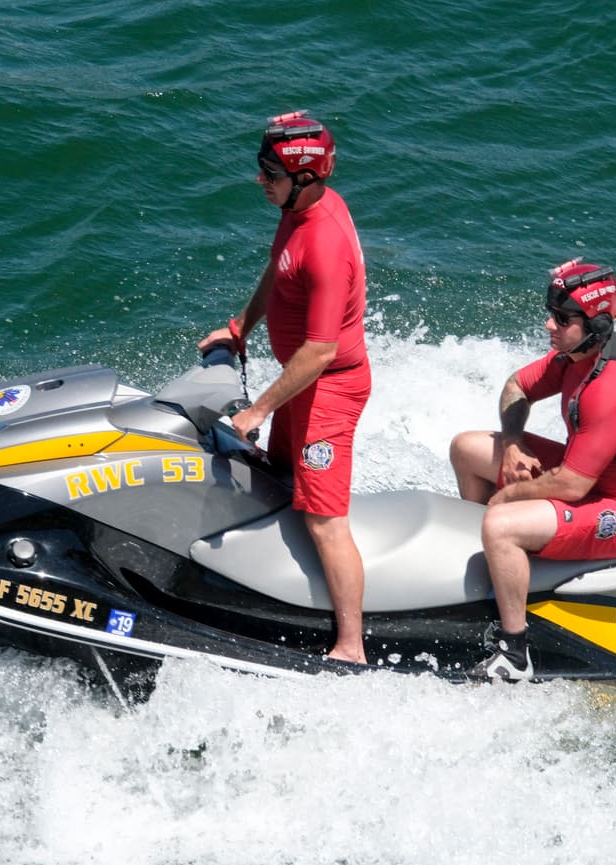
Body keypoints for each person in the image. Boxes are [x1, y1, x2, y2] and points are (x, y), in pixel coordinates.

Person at [449, 259, 616, 680]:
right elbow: (517, 386)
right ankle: (500, 571)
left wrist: (507, 496)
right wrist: (514, 442)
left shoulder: (611, 385)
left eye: (562, 318)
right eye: (551, 314)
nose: (548, 325)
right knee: (467, 449)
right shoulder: (577, 356)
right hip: (589, 479)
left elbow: (572, 485)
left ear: (597, 324)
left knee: (500, 522)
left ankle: (514, 653)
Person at [199, 111, 372, 664]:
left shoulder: (324, 241)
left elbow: (320, 352)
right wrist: (240, 327)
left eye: (270, 172)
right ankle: (279, 594)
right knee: (277, 481)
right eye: (261, 168)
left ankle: (350, 646)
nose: (260, 180)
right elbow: (279, 269)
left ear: (303, 177)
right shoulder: (297, 212)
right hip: (305, 381)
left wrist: (258, 410)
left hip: (330, 387)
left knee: (324, 519)